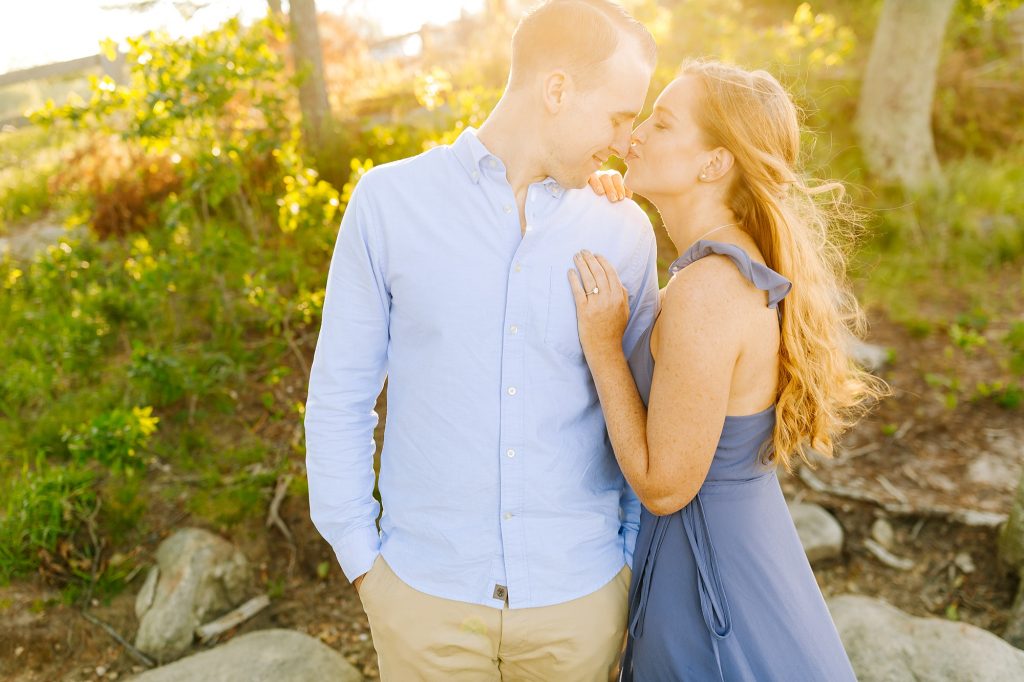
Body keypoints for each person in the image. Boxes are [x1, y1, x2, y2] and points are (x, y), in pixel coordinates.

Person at [304, 1, 661, 679]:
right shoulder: (387, 203)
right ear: (556, 89)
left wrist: (625, 561)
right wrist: (363, 565)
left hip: (579, 600)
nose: (626, 139)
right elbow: (339, 398)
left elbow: (648, 409)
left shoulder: (624, 230)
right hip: (423, 599)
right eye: (619, 115)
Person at [572, 59, 885, 680]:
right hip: (733, 547)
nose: (635, 135)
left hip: (711, 572)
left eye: (662, 124)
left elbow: (665, 486)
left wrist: (605, 349)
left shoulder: (709, 288)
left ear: (713, 164)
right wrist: (599, 199)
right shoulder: (718, 267)